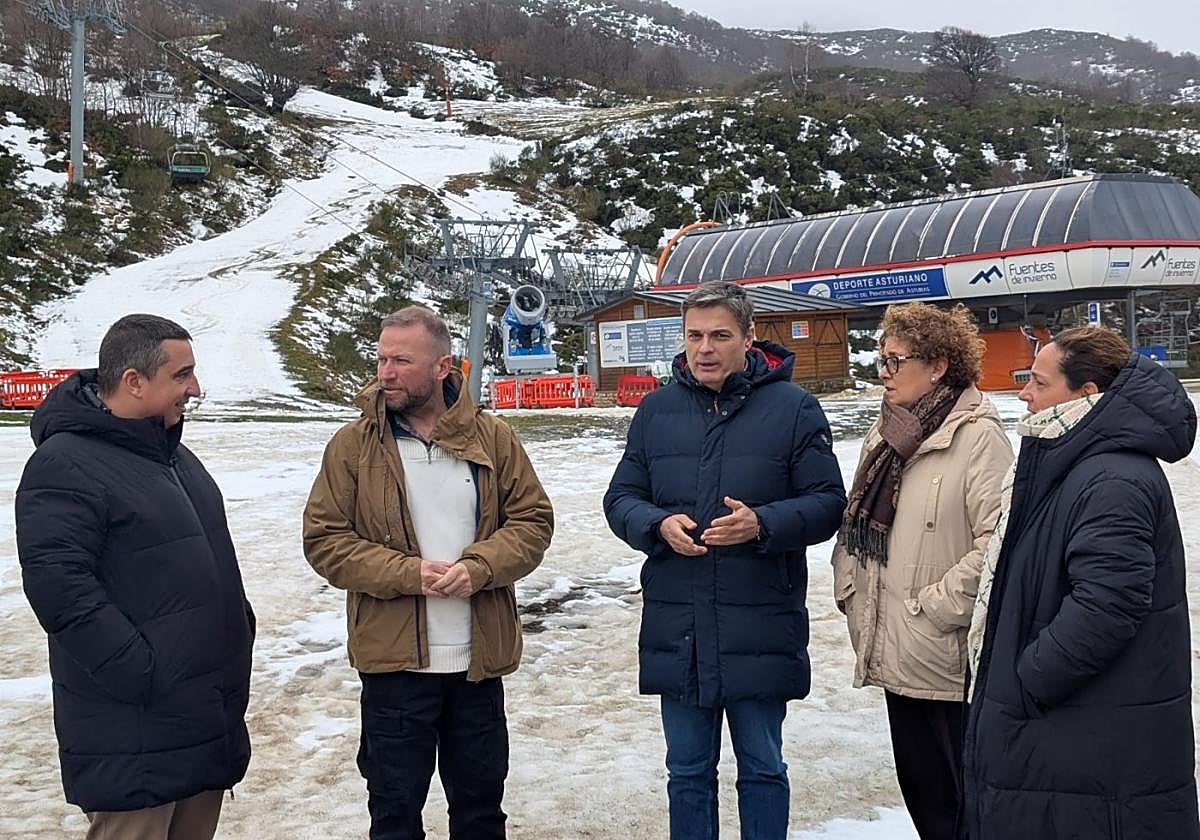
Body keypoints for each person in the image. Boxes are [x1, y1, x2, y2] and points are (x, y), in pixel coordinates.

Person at [603, 281, 846, 839]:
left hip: (758, 621)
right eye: (694, 335)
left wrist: (762, 523)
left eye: (719, 335)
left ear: (749, 338)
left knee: (762, 769)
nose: (705, 348)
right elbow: (621, 499)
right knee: (687, 771)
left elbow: (829, 503)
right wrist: (655, 524)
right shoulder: (656, 411)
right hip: (678, 625)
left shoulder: (793, 408)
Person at [303, 306, 553, 840]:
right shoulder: (352, 446)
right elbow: (325, 541)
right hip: (394, 669)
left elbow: (532, 522)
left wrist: (480, 567)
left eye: (400, 361)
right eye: (381, 359)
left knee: (481, 812)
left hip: (476, 664)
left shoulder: (495, 438)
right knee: (394, 815)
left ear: (444, 367)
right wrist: (407, 573)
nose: (385, 373)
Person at [15, 314, 255, 840]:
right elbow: (61, 592)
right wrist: (143, 673)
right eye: (182, 375)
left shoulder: (174, 457)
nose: (195, 389)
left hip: (199, 720)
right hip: (134, 731)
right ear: (133, 381)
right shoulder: (65, 464)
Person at [961, 327, 1200, 840]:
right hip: (1075, 733)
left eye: (1039, 383)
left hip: (1084, 734)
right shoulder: (1074, 462)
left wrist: (1027, 682)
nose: (1023, 393)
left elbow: (1107, 607)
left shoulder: (1112, 479)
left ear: (1086, 395)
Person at [831, 302, 1011, 840]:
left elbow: (998, 544)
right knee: (923, 794)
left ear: (937, 367)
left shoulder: (979, 436)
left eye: (895, 361)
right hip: (893, 642)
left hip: (943, 652)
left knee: (963, 802)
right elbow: (856, 522)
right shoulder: (888, 431)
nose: (883, 373)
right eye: (882, 361)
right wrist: (851, 586)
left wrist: (932, 606)